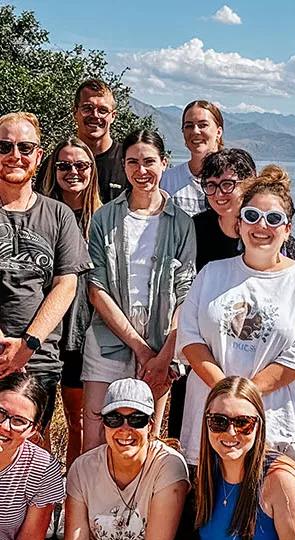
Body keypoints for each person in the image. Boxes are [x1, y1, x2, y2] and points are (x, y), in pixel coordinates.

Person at [177, 164, 295, 472]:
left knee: (273, 511)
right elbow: (190, 338)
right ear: (238, 224)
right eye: (251, 216)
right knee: (211, 512)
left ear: (287, 229)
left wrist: (244, 396)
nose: (261, 226)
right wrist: (226, 395)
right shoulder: (212, 273)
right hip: (213, 424)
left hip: (276, 428)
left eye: (273, 219)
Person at [167, 151, 295, 441]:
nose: (219, 193)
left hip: (261, 374)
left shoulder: (279, 244)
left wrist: (245, 392)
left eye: (228, 184)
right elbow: (185, 288)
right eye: (211, 185)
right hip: (204, 360)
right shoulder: (197, 229)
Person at [82, 130, 196, 451]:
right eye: (133, 162)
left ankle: (139, 504)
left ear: (164, 162)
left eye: (149, 161)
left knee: (146, 441)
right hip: (109, 338)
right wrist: (141, 349)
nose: (141, 170)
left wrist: (162, 355)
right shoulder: (105, 217)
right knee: (95, 440)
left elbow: (185, 291)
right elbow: (96, 289)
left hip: (162, 342)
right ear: (124, 165)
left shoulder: (182, 223)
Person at [0, 112, 92, 433]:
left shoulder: (59, 215)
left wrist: (26, 346)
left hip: (37, 360)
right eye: (5, 146)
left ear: (38, 156)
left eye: (25, 147)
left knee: (33, 450)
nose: (15, 156)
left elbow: (65, 285)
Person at [40, 137, 102, 469]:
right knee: (40, 420)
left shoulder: (104, 219)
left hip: (84, 333)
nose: (73, 171)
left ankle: (72, 491)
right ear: (53, 168)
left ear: (92, 170)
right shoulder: (39, 213)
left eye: (81, 165)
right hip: (43, 331)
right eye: (64, 165)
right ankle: (40, 490)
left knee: (78, 421)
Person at [194, 376, 295, 539]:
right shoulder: (209, 472)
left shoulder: (283, 481)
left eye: (243, 423)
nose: (231, 432)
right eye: (219, 421)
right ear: (206, 422)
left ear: (259, 425)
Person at [65, 378, 189, 539]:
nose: (125, 429)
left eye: (137, 419)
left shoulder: (168, 465)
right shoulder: (82, 469)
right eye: (114, 419)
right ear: (103, 423)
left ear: (150, 424)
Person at [37, 79, 128, 202]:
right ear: (75, 112)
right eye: (87, 108)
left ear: (113, 116)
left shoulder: (127, 162)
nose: (95, 115)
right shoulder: (56, 163)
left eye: (103, 110)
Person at [0, 372, 65, 540]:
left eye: (19, 421)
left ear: (34, 429)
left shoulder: (42, 467)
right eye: (0, 413)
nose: (5, 426)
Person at [161, 100, 224, 216]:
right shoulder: (167, 181)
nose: (195, 131)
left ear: (218, 132)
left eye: (203, 125)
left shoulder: (234, 180)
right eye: (189, 126)